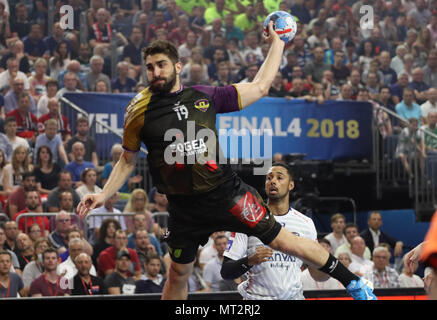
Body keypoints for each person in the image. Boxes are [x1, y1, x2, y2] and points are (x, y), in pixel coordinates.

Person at [77, 33, 376, 300]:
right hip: (184, 208)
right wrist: (103, 194)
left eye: (161, 65)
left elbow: (259, 87)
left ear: (177, 66)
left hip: (227, 194)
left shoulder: (205, 96)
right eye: (150, 67)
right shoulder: (138, 110)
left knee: (287, 241)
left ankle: (355, 286)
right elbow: (127, 158)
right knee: (178, 274)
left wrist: (278, 44)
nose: (155, 72)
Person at [222, 163, 331, 299]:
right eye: (269, 178)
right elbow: (226, 271)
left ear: (291, 185)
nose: (273, 181)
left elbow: (317, 274)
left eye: (279, 178)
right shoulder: (248, 218)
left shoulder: (306, 224)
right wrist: (249, 260)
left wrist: (329, 266)